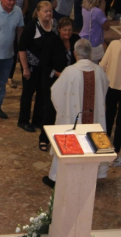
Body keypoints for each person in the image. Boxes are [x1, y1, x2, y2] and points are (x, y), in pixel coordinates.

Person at [43, 39, 109, 188]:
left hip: (74, 118)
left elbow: (56, 93)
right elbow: (104, 88)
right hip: (94, 120)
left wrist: (64, 109)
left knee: (67, 141)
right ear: (90, 53)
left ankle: (56, 178)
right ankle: (90, 178)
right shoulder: (99, 71)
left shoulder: (70, 71)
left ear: (75, 53)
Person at [39, 17, 80, 150]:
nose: (67, 33)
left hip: (71, 82)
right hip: (52, 80)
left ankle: (65, 137)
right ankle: (44, 138)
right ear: (59, 30)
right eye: (64, 30)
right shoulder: (51, 41)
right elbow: (44, 63)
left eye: (69, 30)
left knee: (68, 108)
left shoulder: (76, 40)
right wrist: (58, 74)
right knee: (50, 109)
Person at [17, 0, 57, 133]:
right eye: (45, 11)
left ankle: (37, 120)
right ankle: (23, 121)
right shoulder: (31, 27)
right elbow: (21, 48)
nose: (48, 13)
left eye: (50, 10)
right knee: (28, 94)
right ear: (38, 12)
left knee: (43, 94)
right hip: (31, 66)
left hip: (45, 67)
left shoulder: (54, 24)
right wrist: (26, 68)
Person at [78, 0, 118, 64]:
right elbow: (107, 27)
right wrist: (103, 9)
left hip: (85, 39)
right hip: (94, 44)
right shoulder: (97, 12)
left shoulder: (84, 6)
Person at [100, 39, 121, 165]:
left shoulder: (113, 44)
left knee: (108, 116)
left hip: (111, 86)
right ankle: (116, 151)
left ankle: (104, 148)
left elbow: (103, 65)